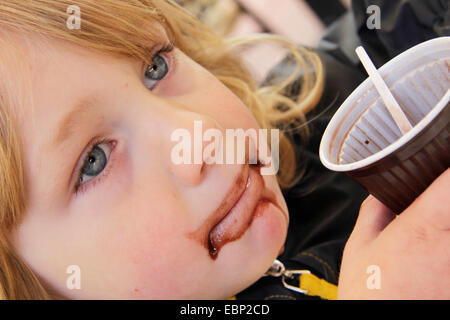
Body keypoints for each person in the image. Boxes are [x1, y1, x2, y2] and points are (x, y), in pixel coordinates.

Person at [0, 0, 448, 300]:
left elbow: (387, 42)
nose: (203, 134)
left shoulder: (307, 121)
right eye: (94, 160)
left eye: (156, 66)